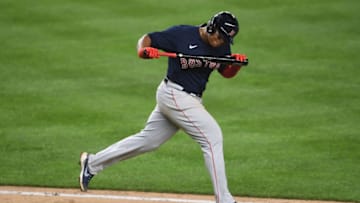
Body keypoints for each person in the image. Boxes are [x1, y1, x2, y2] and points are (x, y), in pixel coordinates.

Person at [79, 11, 248, 203]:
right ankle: (225, 200)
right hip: (175, 94)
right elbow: (147, 39)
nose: (221, 42)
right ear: (211, 27)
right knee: (212, 137)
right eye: (220, 36)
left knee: (149, 140)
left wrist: (236, 64)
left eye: (226, 39)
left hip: (188, 99)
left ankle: (92, 164)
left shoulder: (222, 46)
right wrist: (144, 51)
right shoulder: (182, 34)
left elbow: (225, 72)